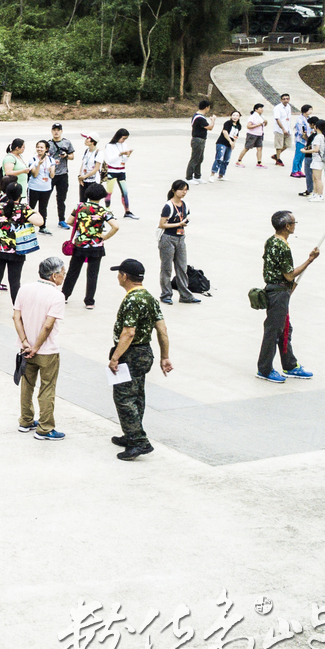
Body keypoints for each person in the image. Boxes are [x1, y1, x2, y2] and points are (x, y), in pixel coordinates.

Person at [108, 259, 172, 461]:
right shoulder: (150, 298)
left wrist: (115, 357)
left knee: (124, 398)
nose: (118, 276)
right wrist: (164, 356)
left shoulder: (131, 300)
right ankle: (131, 433)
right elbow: (162, 330)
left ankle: (138, 441)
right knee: (137, 396)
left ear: (125, 276)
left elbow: (128, 333)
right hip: (145, 352)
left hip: (130, 354)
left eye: (119, 273)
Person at [257, 210, 319, 383]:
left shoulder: (271, 241)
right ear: (287, 226)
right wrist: (310, 260)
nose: (294, 225)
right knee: (274, 330)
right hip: (278, 292)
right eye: (293, 222)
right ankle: (265, 369)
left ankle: (289, 364)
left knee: (285, 329)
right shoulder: (283, 247)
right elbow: (289, 275)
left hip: (275, 289)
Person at [13, 257, 67, 441]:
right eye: (63, 273)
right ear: (54, 276)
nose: (64, 277)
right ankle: (45, 428)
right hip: (47, 351)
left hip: (25, 348)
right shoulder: (57, 296)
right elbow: (47, 326)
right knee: (47, 388)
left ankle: (26, 420)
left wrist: (25, 342)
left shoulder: (24, 289)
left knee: (27, 385)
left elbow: (16, 317)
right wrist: (36, 347)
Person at [0, 181, 41, 316]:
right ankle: (17, 308)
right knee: (14, 281)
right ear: (20, 195)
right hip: (17, 249)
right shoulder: (24, 209)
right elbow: (39, 222)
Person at [62, 183, 119, 310]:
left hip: (80, 244)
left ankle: (64, 295)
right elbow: (116, 226)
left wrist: (82, 229)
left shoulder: (79, 207)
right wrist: (104, 236)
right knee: (93, 273)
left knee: (73, 271)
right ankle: (89, 300)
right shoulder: (103, 211)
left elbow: (69, 221)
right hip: (96, 245)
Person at [157, 180, 200, 305]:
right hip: (168, 238)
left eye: (186, 189)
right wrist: (179, 224)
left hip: (181, 238)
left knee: (182, 267)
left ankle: (185, 295)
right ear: (174, 191)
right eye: (182, 189)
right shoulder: (168, 206)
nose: (184, 192)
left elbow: (186, 217)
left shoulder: (185, 204)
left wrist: (185, 222)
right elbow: (162, 224)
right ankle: (166, 294)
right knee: (167, 268)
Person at [103, 128, 137, 219]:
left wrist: (127, 155)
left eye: (125, 139)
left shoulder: (124, 145)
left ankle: (127, 211)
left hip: (121, 170)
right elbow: (110, 160)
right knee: (109, 192)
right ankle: (107, 211)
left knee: (125, 192)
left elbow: (124, 160)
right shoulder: (109, 146)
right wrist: (120, 153)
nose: (123, 141)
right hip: (112, 171)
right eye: (123, 138)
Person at [48, 123, 76, 228]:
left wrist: (66, 156)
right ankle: (43, 221)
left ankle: (62, 219)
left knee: (61, 199)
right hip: (51, 174)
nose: (56, 132)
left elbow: (72, 156)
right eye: (54, 130)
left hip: (63, 174)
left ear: (61, 131)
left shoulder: (66, 142)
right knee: (45, 198)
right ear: (51, 131)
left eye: (58, 130)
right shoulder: (48, 143)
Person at [26, 140, 54, 234]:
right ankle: (27, 225)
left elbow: (52, 176)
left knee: (43, 208)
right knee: (31, 207)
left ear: (46, 149)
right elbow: (34, 174)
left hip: (46, 188)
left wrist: (51, 170)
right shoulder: (33, 160)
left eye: (42, 147)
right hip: (34, 187)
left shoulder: (51, 160)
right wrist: (39, 164)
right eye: (38, 147)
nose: (39, 149)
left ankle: (43, 227)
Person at [209, 111, 241, 182]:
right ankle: (212, 174)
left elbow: (236, 135)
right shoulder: (227, 123)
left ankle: (221, 175)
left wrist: (233, 143)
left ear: (239, 117)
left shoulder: (239, 126)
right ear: (231, 116)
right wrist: (230, 141)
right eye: (233, 115)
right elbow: (225, 132)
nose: (235, 117)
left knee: (226, 160)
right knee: (219, 159)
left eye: (237, 116)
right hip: (222, 142)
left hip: (230, 144)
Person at [186, 99, 213, 183]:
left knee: (200, 158)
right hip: (197, 140)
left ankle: (197, 176)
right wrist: (213, 120)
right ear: (206, 107)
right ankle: (189, 177)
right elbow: (210, 127)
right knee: (195, 158)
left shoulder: (198, 116)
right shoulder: (199, 118)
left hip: (201, 139)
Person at [238, 102, 267, 168]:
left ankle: (259, 162)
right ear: (256, 110)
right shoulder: (253, 117)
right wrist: (258, 125)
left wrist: (265, 122)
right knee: (247, 148)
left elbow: (264, 125)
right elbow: (248, 126)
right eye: (260, 108)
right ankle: (239, 160)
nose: (262, 110)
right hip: (252, 134)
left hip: (259, 134)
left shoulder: (261, 117)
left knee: (259, 148)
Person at [306, 119, 325, 201]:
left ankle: (320, 195)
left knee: (317, 178)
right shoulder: (324, 136)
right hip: (320, 160)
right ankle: (315, 193)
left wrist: (305, 151)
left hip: (317, 160)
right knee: (314, 177)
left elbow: (316, 149)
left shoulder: (318, 137)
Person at [77, 133, 103, 202]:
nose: (85, 140)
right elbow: (83, 164)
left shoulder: (99, 153)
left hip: (93, 181)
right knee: (82, 201)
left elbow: (96, 168)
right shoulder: (86, 151)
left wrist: (85, 176)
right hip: (84, 180)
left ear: (92, 141)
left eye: (87, 138)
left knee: (93, 201)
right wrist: (80, 176)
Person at [291, 104, 313, 178]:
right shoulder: (300, 120)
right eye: (310, 109)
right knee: (298, 155)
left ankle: (299, 170)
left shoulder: (308, 119)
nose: (311, 111)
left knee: (302, 156)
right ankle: (294, 170)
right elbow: (301, 132)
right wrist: (306, 137)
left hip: (306, 141)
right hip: (300, 140)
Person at [272, 93, 293, 167]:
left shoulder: (288, 107)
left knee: (287, 144)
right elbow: (277, 119)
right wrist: (283, 129)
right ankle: (278, 159)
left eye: (287, 99)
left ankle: (276, 155)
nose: (285, 100)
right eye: (284, 99)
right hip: (279, 129)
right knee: (279, 145)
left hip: (288, 128)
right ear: (281, 100)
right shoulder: (277, 108)